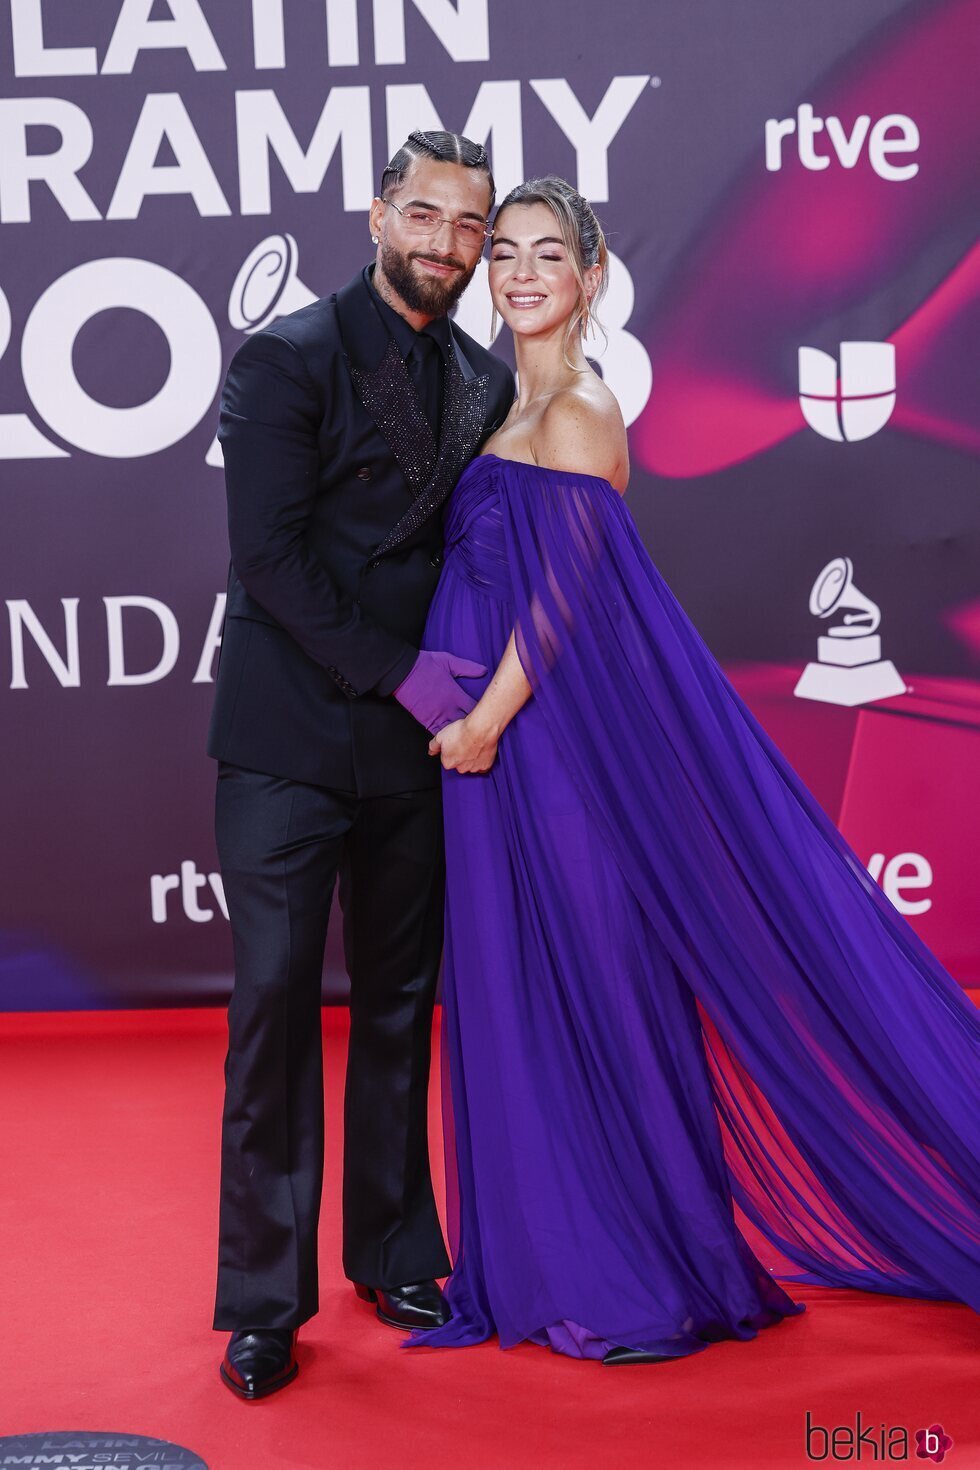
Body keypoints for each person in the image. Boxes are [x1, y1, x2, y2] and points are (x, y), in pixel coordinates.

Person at [403, 177, 980, 1365]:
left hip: (551, 744)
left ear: (591, 275)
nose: (515, 272)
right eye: (500, 251)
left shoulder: (576, 409)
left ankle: (629, 1269)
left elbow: (559, 596)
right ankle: (564, 1250)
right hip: (506, 746)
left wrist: (484, 722)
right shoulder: (510, 404)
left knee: (591, 979)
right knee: (530, 988)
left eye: (544, 253)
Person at [207, 129, 515, 1399]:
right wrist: (397, 672)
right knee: (276, 1005)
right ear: (376, 213)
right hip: (286, 739)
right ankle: (263, 1302)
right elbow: (269, 561)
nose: (447, 246)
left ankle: (391, 1250)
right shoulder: (284, 358)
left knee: (398, 1003)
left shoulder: (483, 382)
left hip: (415, 747)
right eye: (426, 217)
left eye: (468, 229)